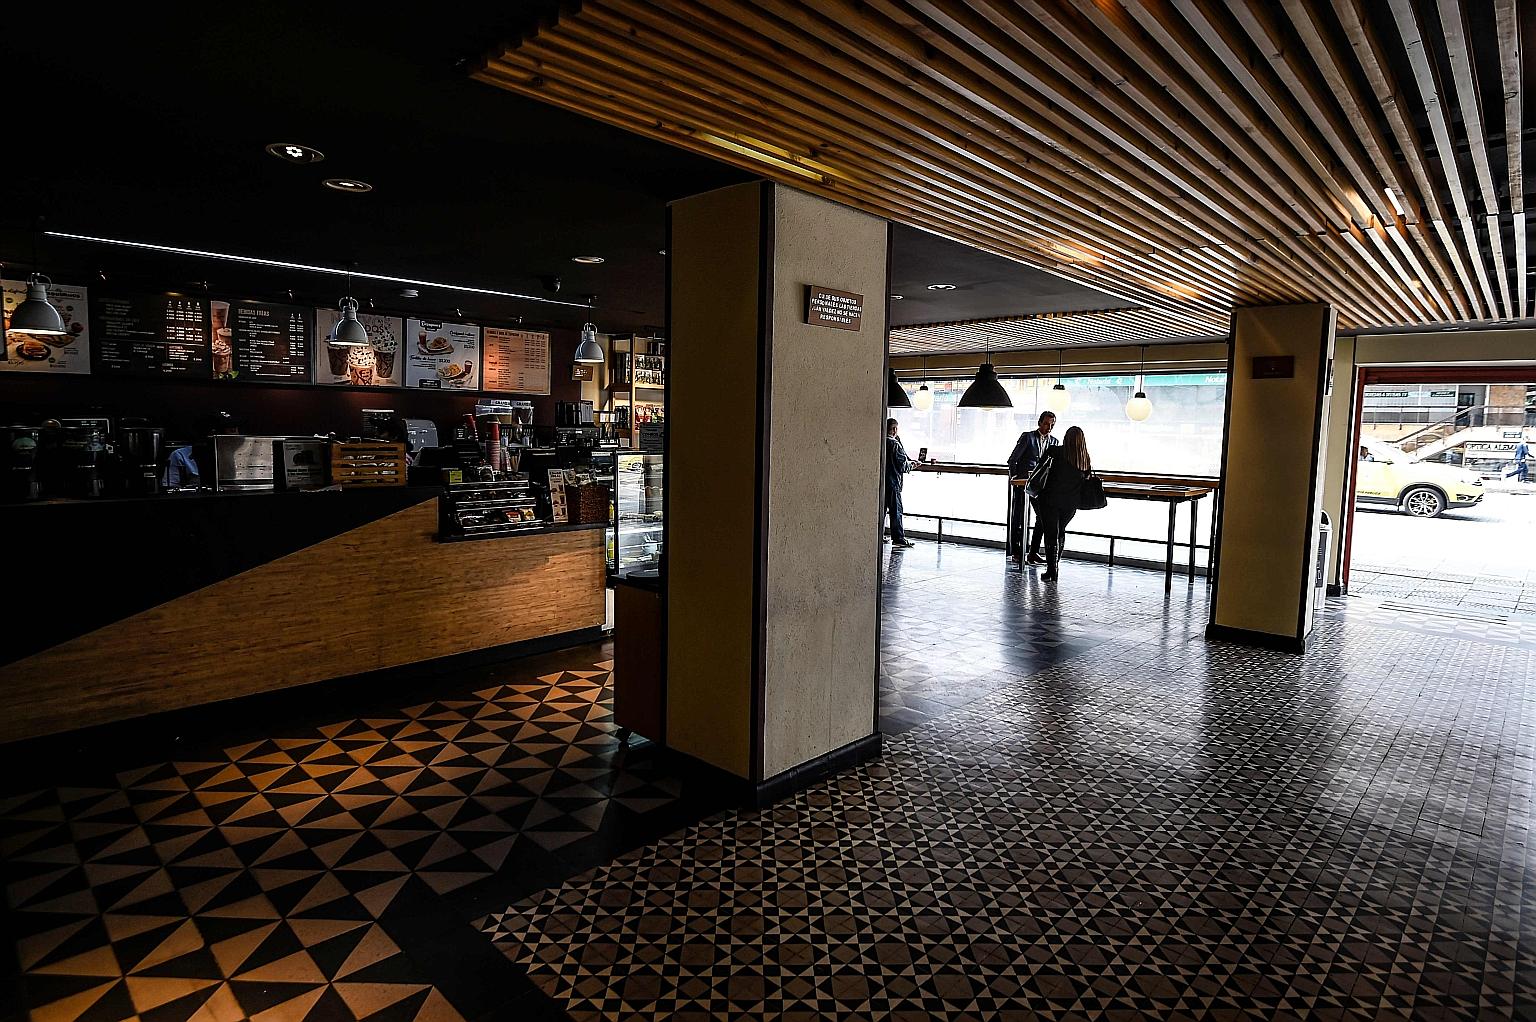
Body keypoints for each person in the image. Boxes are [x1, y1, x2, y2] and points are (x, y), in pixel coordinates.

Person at [1033, 425, 1093, 582]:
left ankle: (1051, 570)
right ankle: (1056, 567)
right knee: (1060, 532)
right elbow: (1086, 479)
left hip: (1049, 500)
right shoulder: (1084, 459)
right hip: (1070, 504)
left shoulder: (1054, 452)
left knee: (1050, 534)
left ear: (1066, 438)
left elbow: (1039, 469)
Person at [1006, 411, 1059, 565]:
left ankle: (1033, 552)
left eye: (1052, 424)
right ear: (1040, 423)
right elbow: (1012, 460)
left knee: (1042, 518)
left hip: (1041, 487)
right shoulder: (1028, 437)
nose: (1049, 427)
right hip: (1023, 484)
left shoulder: (1054, 442)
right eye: (1047, 423)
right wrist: (1015, 477)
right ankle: (1017, 551)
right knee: (1020, 517)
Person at [885, 418, 915, 548]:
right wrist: (913, 464)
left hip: (882, 484)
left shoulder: (881, 441)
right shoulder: (895, 445)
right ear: (894, 429)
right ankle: (898, 538)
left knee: (881, 511)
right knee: (896, 511)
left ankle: (878, 535)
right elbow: (903, 465)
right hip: (893, 483)